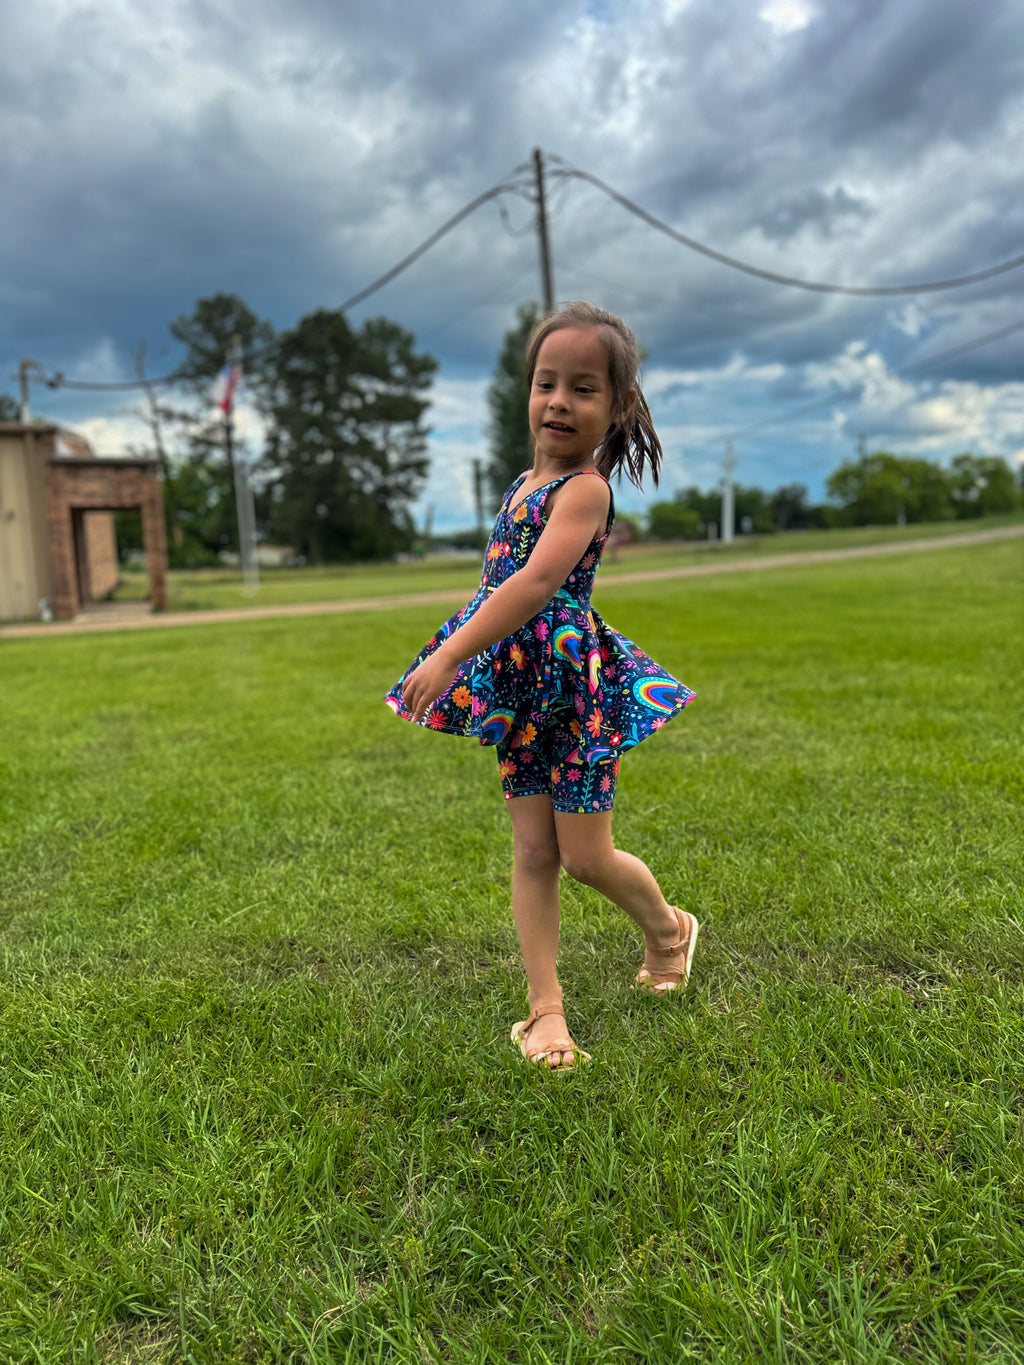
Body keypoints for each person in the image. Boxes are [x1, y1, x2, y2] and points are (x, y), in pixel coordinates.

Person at [385, 301, 697, 1072]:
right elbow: (499, 578)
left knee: (587, 857)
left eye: (583, 388)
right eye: (546, 382)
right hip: (521, 697)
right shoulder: (524, 481)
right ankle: (544, 1012)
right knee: (532, 851)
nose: (559, 400)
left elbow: (535, 581)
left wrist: (449, 654)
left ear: (617, 406)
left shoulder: (584, 490)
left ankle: (669, 931)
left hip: (572, 694)